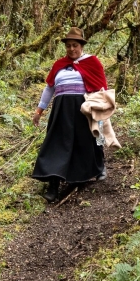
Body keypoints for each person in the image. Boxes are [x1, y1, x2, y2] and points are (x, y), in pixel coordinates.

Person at [31, 27, 108, 202]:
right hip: (61, 110)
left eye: (75, 45)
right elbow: (49, 88)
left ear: (81, 46)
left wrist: (101, 112)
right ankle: (53, 186)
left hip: (83, 109)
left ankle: (96, 167)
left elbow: (101, 88)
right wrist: (39, 111)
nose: (71, 49)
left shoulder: (92, 62)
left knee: (87, 140)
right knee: (56, 144)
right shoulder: (59, 65)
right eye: (68, 46)